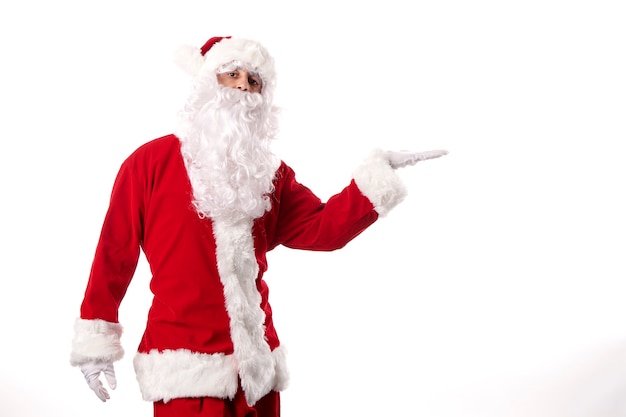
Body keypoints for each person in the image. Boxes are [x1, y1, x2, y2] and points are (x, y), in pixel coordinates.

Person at [69, 35, 448, 417]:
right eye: (231, 74)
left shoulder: (268, 174)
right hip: (185, 370)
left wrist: (378, 174)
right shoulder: (150, 163)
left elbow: (323, 229)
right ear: (206, 85)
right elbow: (114, 252)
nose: (242, 87)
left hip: (257, 369)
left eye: (254, 81)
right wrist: (95, 342)